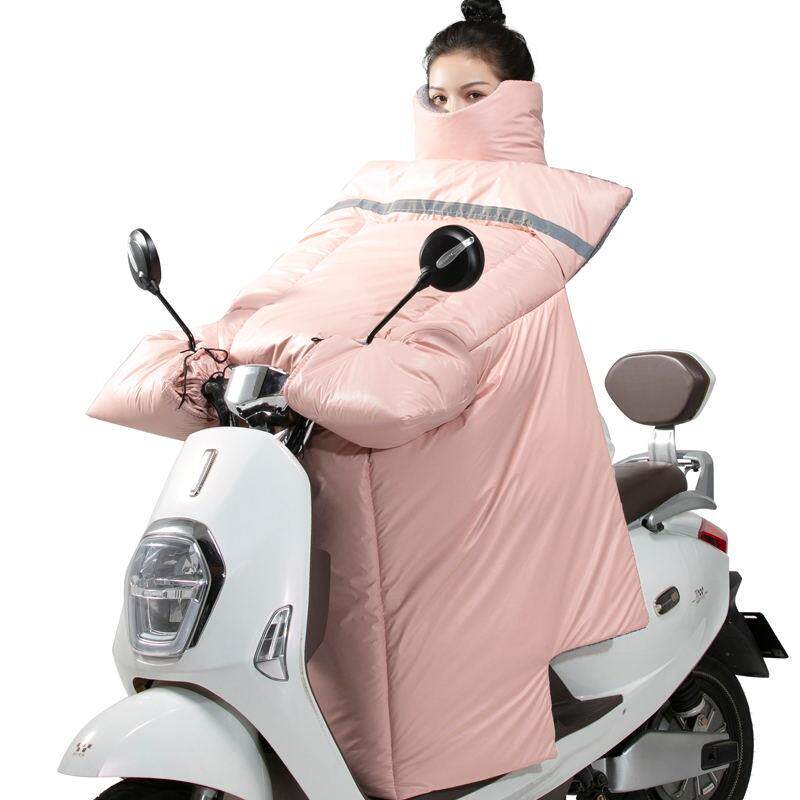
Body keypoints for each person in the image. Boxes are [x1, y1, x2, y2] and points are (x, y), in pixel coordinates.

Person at [89, 1, 643, 796]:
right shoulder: (381, 199)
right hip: (342, 425)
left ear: (519, 97)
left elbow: (436, 352)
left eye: (474, 95)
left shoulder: (536, 216)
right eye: (438, 97)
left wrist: (301, 368)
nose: (452, 113)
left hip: (466, 448)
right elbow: (286, 294)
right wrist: (219, 358)